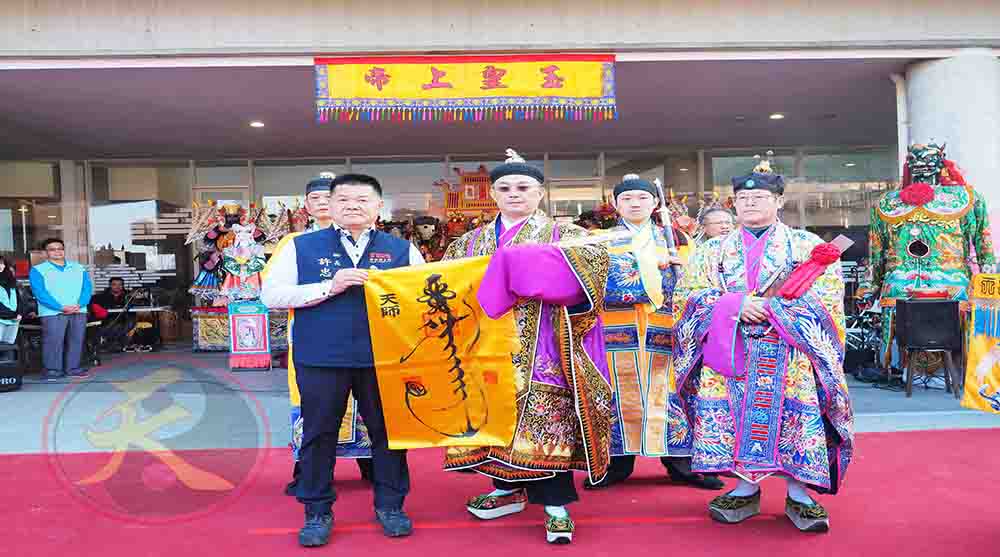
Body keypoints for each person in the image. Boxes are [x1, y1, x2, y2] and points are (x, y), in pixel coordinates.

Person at [672, 159, 854, 532]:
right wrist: (735, 305)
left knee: (796, 418)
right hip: (730, 351)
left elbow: (830, 299)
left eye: (759, 197)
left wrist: (772, 310)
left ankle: (800, 492)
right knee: (732, 417)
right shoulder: (711, 249)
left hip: (790, 353)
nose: (750, 203)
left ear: (779, 201)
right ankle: (743, 487)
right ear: (734, 204)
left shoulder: (808, 246)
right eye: (743, 197)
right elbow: (686, 296)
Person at [442, 149, 610, 545]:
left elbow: (593, 271)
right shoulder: (470, 241)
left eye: (523, 187)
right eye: (504, 188)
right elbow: (447, 285)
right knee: (493, 416)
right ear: (493, 195)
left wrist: (529, 265)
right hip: (485, 346)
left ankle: (555, 505)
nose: (513, 194)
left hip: (546, 346)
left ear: (540, 193)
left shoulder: (566, 235)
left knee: (546, 421)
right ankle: (505, 488)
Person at [261, 173, 425, 547]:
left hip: (383, 359)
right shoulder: (300, 247)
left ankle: (391, 505)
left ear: (378, 207)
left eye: (362, 199)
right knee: (319, 434)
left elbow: (419, 299)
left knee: (388, 434)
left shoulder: (401, 250)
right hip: (321, 356)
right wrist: (328, 287)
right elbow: (272, 296)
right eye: (344, 199)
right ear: (329, 206)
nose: (353, 205)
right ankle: (316, 510)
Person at [583, 174, 724, 492]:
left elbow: (699, 283)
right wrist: (648, 267)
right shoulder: (599, 240)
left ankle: (682, 462)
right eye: (627, 198)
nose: (635, 203)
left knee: (671, 391)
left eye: (642, 198)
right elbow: (592, 283)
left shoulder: (678, 239)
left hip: (666, 326)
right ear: (615, 204)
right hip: (617, 328)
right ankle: (614, 463)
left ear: (655, 202)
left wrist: (682, 269)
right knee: (620, 393)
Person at [262, 173, 375, 498]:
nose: (324, 202)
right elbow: (274, 293)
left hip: (364, 342)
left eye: (331, 196)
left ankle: (371, 465)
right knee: (315, 407)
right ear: (307, 206)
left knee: (368, 406)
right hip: (316, 339)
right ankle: (308, 472)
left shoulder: (375, 241)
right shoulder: (294, 244)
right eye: (317, 198)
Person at [29, 238, 93, 380]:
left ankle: (73, 368)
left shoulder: (78, 267)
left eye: (60, 248)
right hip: (53, 312)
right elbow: (40, 293)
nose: (57, 251)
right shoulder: (38, 270)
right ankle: (52, 370)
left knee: (76, 340)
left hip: (78, 310)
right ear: (46, 253)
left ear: (64, 250)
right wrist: (61, 307)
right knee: (53, 341)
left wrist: (80, 304)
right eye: (52, 249)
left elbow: (87, 289)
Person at [0, 256, 24, 344]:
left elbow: (19, 300)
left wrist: (19, 313)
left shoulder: (12, 282)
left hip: (14, 322)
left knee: (8, 350)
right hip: (3, 320)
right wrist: (14, 315)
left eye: (2, 263)